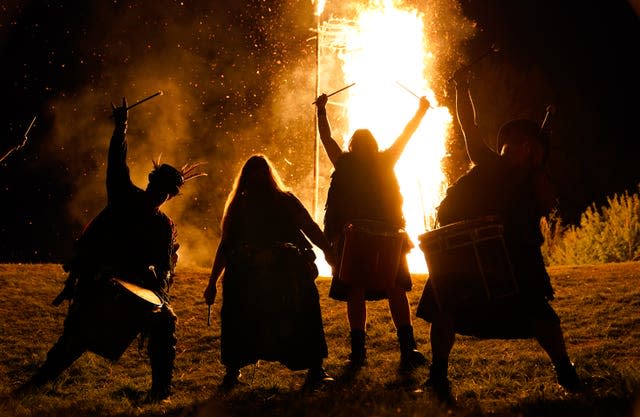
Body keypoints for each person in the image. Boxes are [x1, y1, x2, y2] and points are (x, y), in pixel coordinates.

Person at [21, 97, 205, 401]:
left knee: (164, 321)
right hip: (100, 280)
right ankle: (39, 382)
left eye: (167, 192)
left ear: (172, 196)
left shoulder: (164, 226)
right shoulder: (123, 196)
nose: (161, 195)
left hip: (137, 288)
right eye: (159, 187)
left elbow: (163, 271)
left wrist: (159, 295)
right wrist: (121, 128)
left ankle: (161, 391)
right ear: (150, 183)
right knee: (76, 338)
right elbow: (117, 163)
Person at [416, 72, 580, 399]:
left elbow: (548, 203)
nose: (507, 148)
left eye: (519, 144)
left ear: (529, 148)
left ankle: (566, 372)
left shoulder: (534, 179)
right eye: (508, 143)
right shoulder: (489, 163)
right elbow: (470, 127)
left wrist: (535, 172)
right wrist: (462, 88)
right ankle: (438, 376)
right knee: (444, 306)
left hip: (514, 253)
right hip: (463, 249)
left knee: (538, 313)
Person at [314, 92, 430, 370]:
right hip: (383, 233)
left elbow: (327, 140)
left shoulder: (347, 162)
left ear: (353, 145)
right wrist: (421, 111)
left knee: (360, 288)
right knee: (394, 288)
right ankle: (406, 347)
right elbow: (406, 134)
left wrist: (321, 111)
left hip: (361, 235)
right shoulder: (385, 159)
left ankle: (360, 352)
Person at [203, 155, 337, 390]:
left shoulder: (284, 200)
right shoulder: (240, 205)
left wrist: (327, 250)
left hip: (286, 270)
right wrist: (213, 281)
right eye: (254, 174)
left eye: (262, 173)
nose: (258, 178)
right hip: (248, 273)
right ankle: (233, 371)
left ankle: (316, 368)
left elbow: (308, 226)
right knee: (239, 316)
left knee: (303, 312)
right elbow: (226, 244)